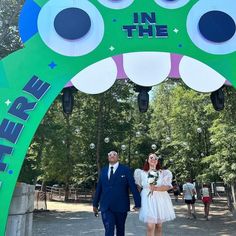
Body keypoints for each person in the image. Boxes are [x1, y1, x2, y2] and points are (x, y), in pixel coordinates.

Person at [93, 151, 141, 236]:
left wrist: (138, 203)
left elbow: (133, 187)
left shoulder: (125, 170)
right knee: (109, 228)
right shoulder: (103, 171)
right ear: (108, 158)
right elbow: (99, 188)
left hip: (121, 206)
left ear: (118, 157)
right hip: (106, 206)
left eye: (114, 154)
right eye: (110, 155)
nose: (112, 156)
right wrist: (95, 204)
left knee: (120, 230)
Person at [134, 153, 175, 236]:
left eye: (155, 158)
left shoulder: (163, 173)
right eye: (151, 157)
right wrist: (137, 202)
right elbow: (138, 188)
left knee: (159, 226)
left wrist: (156, 188)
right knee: (150, 225)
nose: (153, 159)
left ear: (157, 161)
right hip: (147, 199)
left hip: (160, 199)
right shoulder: (141, 173)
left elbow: (168, 187)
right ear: (148, 160)